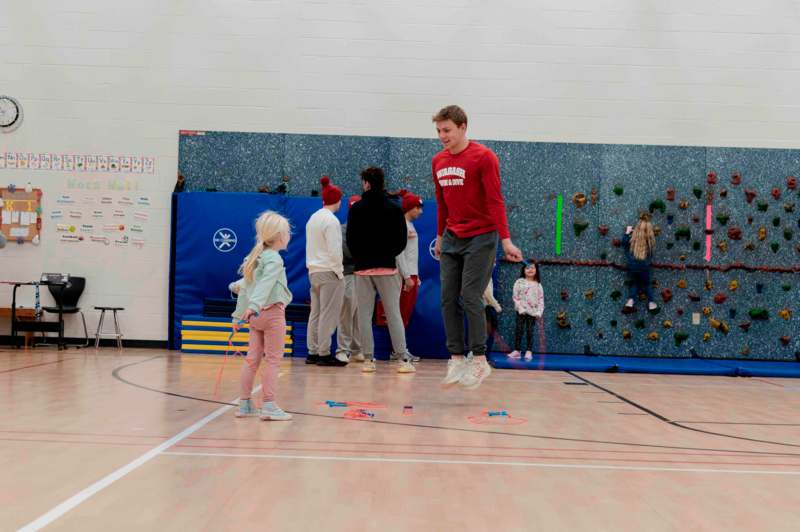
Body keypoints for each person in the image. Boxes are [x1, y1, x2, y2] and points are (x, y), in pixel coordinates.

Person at [432, 104, 523, 390]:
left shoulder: (484, 157)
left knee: (470, 295)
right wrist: (441, 236)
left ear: (462, 127)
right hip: (452, 236)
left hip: (482, 236)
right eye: (438, 131)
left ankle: (480, 360)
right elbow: (442, 202)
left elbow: (495, 200)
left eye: (447, 130)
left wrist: (505, 239)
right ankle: (457, 357)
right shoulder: (438, 161)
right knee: (447, 298)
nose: (442, 136)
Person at [346, 166, 415, 374]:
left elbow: (350, 240)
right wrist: (386, 254)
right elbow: (401, 241)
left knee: (364, 316)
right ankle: (402, 359)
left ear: (366, 183)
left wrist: (362, 258)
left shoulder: (356, 209)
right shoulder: (394, 208)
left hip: (362, 269)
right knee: (394, 314)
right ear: (383, 183)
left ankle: (368, 360)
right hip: (388, 268)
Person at [232, 210, 293, 421]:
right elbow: (265, 285)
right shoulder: (274, 259)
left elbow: (246, 288)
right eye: (287, 232)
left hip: (254, 317)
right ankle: (269, 405)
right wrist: (255, 305)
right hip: (272, 314)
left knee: (252, 360)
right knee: (273, 360)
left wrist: (239, 316)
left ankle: (245, 404)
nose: (289, 236)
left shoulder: (254, 256)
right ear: (280, 237)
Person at [305, 176, 347, 366]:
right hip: (329, 271)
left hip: (313, 271)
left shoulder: (313, 218)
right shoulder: (332, 221)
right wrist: (339, 273)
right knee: (328, 314)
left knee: (315, 313)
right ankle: (324, 353)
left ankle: (312, 352)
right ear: (337, 200)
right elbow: (334, 251)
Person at [377, 190, 423, 362]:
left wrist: (415, 275)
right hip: (403, 276)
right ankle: (398, 352)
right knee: (400, 315)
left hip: (410, 274)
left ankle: (400, 350)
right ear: (410, 208)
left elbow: (410, 255)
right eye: (418, 207)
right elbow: (399, 253)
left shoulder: (409, 226)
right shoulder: (401, 225)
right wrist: (406, 276)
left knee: (404, 315)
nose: (421, 211)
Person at [335, 195, 364, 364]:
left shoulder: (369, 229)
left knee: (361, 315)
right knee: (346, 312)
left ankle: (357, 350)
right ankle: (342, 349)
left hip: (365, 276)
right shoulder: (342, 229)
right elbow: (345, 253)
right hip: (349, 274)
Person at [509, 261, 544, 360]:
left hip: (532, 312)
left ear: (536, 270)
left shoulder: (538, 285)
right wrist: (520, 308)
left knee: (530, 331)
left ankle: (529, 351)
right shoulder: (519, 282)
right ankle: (517, 350)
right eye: (527, 268)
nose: (530, 270)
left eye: (532, 268)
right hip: (521, 311)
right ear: (523, 270)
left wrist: (539, 311)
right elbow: (515, 297)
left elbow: (541, 299)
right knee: (519, 330)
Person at [623, 213, 658, 312]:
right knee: (646, 284)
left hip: (632, 266)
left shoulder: (633, 238)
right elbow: (650, 255)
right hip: (643, 266)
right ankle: (651, 302)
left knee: (635, 283)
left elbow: (624, 243)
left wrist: (627, 232)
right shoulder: (649, 241)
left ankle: (631, 300)